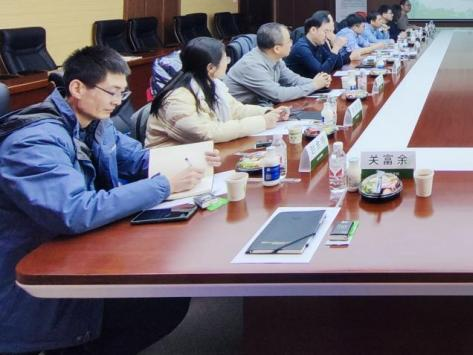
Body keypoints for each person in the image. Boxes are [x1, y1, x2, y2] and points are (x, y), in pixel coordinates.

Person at [0, 46, 220, 355]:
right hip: (34, 277)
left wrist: (193, 157)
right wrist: (162, 185)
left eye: (122, 93)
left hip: (80, 248)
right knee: (160, 303)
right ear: (77, 88)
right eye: (112, 92)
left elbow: (138, 159)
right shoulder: (34, 142)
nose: (119, 102)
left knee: (168, 295)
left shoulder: (96, 123)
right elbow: (74, 211)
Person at [146, 37, 288, 148]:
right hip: (170, 164)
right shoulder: (177, 99)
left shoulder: (213, 84)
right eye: (225, 59)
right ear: (211, 68)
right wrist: (262, 122)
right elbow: (207, 133)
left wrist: (268, 113)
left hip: (200, 154)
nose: (228, 62)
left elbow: (236, 110)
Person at [224, 22, 330, 105]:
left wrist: (319, 82)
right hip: (240, 116)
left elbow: (293, 80)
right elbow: (278, 94)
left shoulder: (275, 58)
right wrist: (314, 85)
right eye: (289, 41)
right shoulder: (252, 65)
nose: (291, 44)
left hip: (262, 107)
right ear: (277, 49)